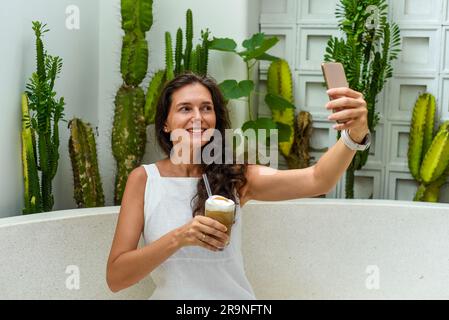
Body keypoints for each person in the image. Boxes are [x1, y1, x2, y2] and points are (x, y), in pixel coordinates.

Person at [106, 72, 370, 299]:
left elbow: (317, 180)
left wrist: (354, 135)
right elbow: (116, 277)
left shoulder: (237, 177)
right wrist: (181, 237)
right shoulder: (144, 180)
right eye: (185, 108)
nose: (198, 117)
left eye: (206, 108)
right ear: (165, 123)